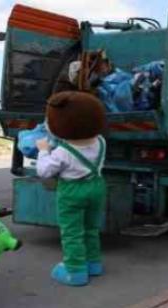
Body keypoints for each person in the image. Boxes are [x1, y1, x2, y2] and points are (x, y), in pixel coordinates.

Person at [35, 91, 107, 287]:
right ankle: (93, 263)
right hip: (96, 186)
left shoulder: (62, 152)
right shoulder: (101, 141)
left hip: (72, 192)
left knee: (72, 231)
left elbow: (44, 171)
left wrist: (43, 150)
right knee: (91, 227)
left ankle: (75, 270)